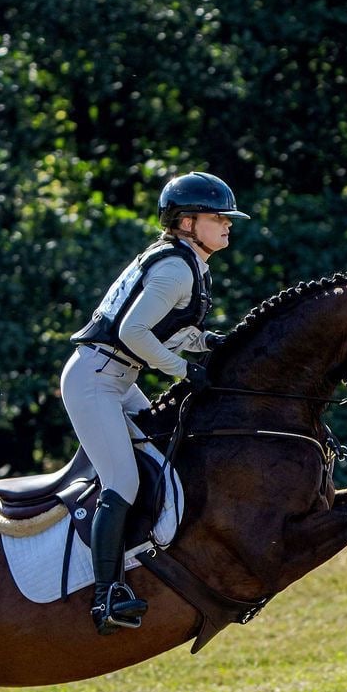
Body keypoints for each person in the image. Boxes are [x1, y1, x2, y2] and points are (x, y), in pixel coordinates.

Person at [63, 171, 247, 633]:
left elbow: (166, 330)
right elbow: (132, 332)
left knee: (161, 453)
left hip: (116, 378)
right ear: (187, 222)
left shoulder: (188, 263)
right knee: (122, 481)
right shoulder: (174, 268)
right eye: (216, 217)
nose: (227, 224)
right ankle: (107, 596)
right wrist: (183, 370)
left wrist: (208, 342)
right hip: (96, 380)